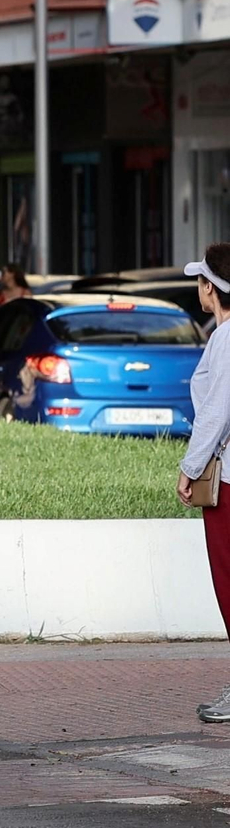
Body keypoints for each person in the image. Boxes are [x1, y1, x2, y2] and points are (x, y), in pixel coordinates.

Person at [177, 245, 230, 724]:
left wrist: (190, 467)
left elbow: (216, 411)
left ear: (211, 288)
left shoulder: (227, 339)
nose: (199, 288)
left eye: (201, 280)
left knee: (229, 582)